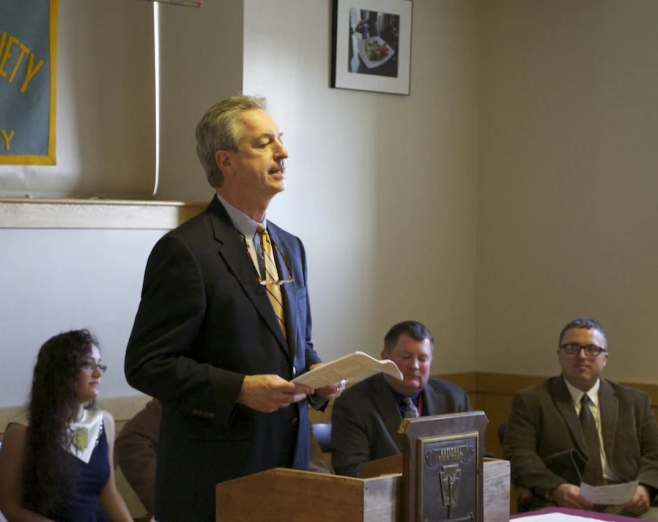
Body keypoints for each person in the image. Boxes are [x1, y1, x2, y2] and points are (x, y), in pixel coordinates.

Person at [124, 95, 344, 521]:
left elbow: (295, 344)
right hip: (216, 484)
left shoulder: (290, 247)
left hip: (289, 471)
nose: (283, 152)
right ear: (225, 161)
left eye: (280, 140)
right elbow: (147, 364)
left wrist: (318, 377)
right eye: (264, 144)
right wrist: (239, 389)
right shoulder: (185, 251)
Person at [502, 317, 658, 521]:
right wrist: (555, 487)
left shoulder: (634, 401)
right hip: (562, 504)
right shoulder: (531, 401)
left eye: (592, 349)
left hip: (629, 505)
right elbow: (519, 455)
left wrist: (645, 488)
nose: (582, 356)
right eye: (572, 347)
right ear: (559, 355)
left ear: (605, 358)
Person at [0, 330, 133, 522]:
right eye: (87, 365)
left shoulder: (104, 422)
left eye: (99, 364)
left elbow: (109, 494)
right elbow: (8, 507)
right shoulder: (21, 430)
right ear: (60, 372)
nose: (98, 373)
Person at [114, 398, 334, 515]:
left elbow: (316, 466)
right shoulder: (195, 392)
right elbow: (134, 440)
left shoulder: (287, 396)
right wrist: (170, 503)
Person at [330, 320, 474, 477]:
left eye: (423, 359)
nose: (414, 366)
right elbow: (353, 472)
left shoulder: (454, 398)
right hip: (384, 497)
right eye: (406, 356)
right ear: (385, 358)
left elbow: (476, 460)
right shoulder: (354, 403)